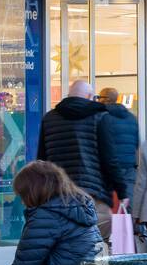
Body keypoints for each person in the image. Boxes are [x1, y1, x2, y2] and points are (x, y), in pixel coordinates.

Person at [36, 80, 115, 239]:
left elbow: (42, 159)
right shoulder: (100, 117)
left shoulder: (49, 118)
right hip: (92, 192)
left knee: (64, 240)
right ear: (89, 96)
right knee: (97, 242)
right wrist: (120, 189)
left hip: (58, 192)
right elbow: (109, 158)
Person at [97, 87, 139, 236]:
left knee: (104, 205)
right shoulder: (131, 118)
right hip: (128, 167)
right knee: (125, 203)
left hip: (107, 167)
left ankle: (107, 240)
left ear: (104, 99)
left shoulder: (101, 117)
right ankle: (126, 237)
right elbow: (136, 144)